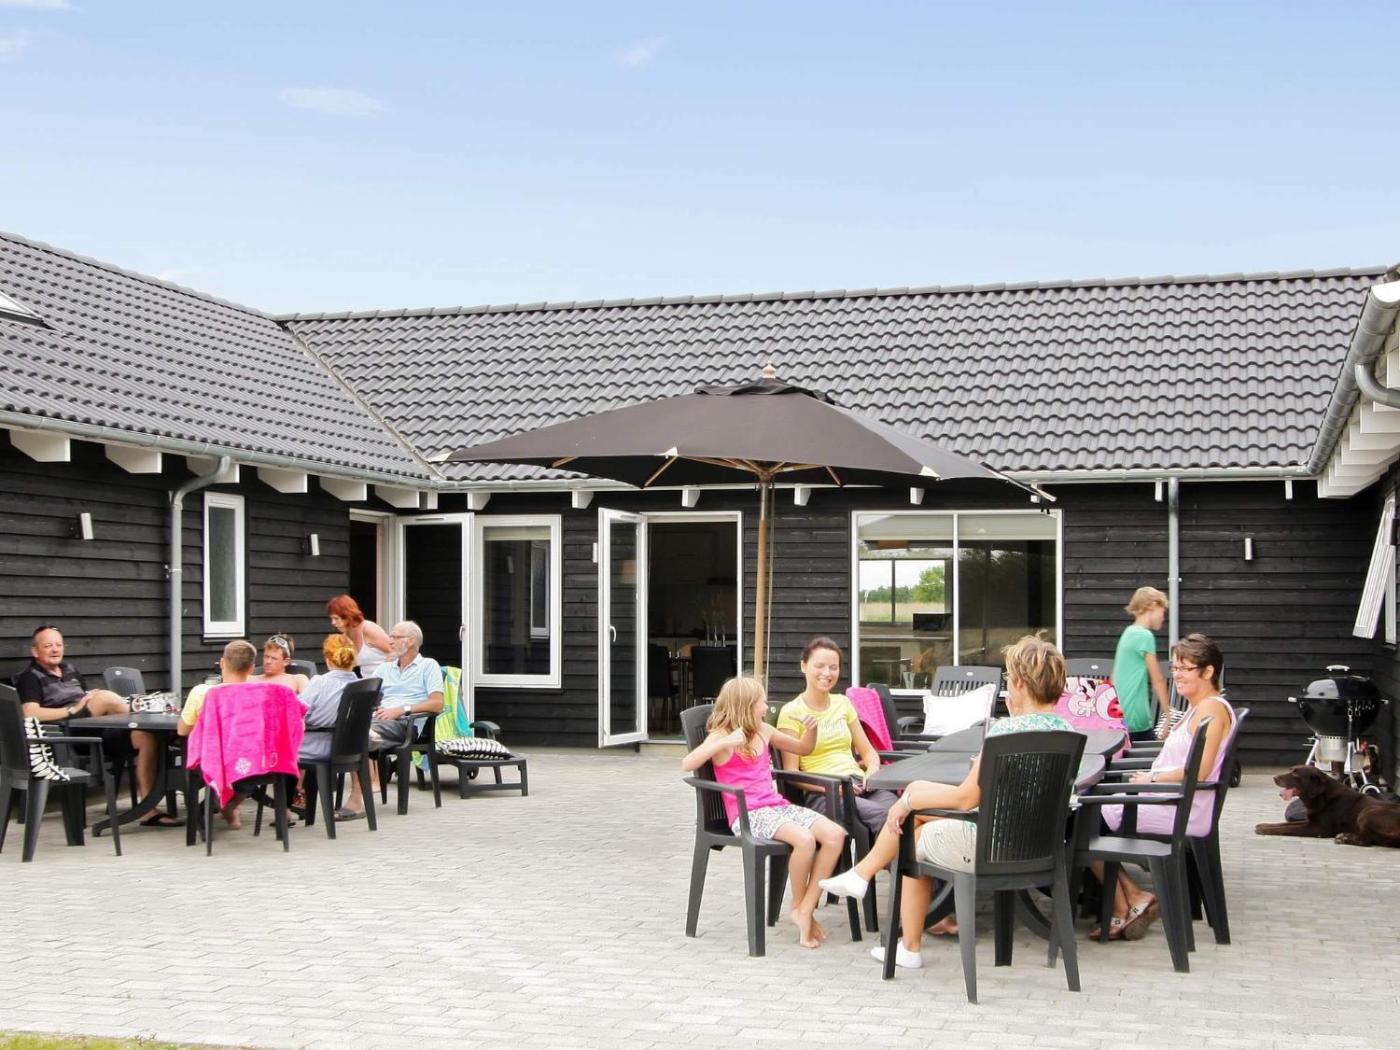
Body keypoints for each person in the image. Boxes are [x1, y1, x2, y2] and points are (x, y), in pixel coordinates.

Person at [819, 635, 1073, 968]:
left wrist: (908, 802)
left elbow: (965, 798)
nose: (1007, 685)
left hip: (992, 845)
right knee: (918, 793)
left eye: (1009, 678)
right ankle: (862, 877)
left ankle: (906, 944)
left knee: (911, 833)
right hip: (1037, 844)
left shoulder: (1004, 732)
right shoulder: (1068, 732)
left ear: (1021, 684)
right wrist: (914, 795)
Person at [681, 675, 845, 949]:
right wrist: (721, 744)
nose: (767, 708)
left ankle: (805, 908)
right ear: (745, 706)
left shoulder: (763, 730)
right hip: (749, 814)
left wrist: (811, 730)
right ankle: (798, 906)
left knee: (835, 835)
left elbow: (804, 748)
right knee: (805, 840)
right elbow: (687, 763)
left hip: (776, 807)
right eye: (762, 703)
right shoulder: (721, 736)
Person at [1093, 632, 1237, 941]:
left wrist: (1153, 779)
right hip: (1171, 801)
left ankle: (1120, 904)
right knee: (1083, 818)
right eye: (1175, 668)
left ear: (1208, 671)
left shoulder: (1211, 710)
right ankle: (1131, 899)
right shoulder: (1200, 708)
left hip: (1177, 808)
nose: (1177, 675)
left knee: (1079, 822)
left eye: (1186, 668)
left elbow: (1200, 770)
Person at [16, 624, 175, 829]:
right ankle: (143, 710)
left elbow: (84, 699)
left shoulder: (70, 670)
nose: (55, 649)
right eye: (48, 646)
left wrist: (87, 701)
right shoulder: (30, 677)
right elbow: (30, 713)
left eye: (58, 645)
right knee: (105, 698)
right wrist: (71, 710)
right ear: (35, 651)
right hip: (68, 735)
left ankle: (148, 809)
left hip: (95, 729)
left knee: (146, 736)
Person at [776, 637, 898, 836]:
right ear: (803, 666)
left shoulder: (843, 703)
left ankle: (896, 856)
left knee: (900, 811)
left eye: (833, 667)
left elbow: (869, 752)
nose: (827, 673)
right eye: (819, 666)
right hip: (824, 792)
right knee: (885, 817)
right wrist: (834, 788)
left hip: (860, 783)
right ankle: (891, 857)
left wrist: (871, 772)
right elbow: (791, 773)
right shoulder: (792, 712)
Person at [336, 620, 444, 820]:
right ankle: (366, 740)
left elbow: (437, 703)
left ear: (411, 641)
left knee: (358, 734)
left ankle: (357, 799)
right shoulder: (384, 669)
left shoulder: (428, 666)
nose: (390, 640)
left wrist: (401, 710)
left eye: (395, 636)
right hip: (379, 720)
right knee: (349, 729)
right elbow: (368, 695)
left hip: (407, 725)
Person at [177, 638, 262, 830]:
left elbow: (182, 730)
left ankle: (219, 802)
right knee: (247, 766)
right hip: (249, 763)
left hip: (212, 761)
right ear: (251, 668)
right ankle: (230, 804)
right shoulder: (260, 694)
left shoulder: (203, 692)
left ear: (222, 663)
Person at [1112, 586, 1170, 740]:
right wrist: (1168, 716)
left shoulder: (1128, 633)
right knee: (1157, 752)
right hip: (1135, 716)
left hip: (1120, 715)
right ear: (1152, 606)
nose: (1163, 618)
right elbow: (1157, 680)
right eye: (1162, 612)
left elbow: (1114, 675)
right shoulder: (1144, 636)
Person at [298, 634, 359, 763]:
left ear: (328, 660)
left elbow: (298, 712)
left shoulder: (319, 682)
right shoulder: (364, 686)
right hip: (351, 747)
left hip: (317, 746)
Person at [325, 594, 393, 676]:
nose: (333, 623)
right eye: (331, 618)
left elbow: (394, 652)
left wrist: (384, 673)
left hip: (386, 679)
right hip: (367, 681)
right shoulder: (345, 637)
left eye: (336, 618)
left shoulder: (368, 629)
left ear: (348, 615)